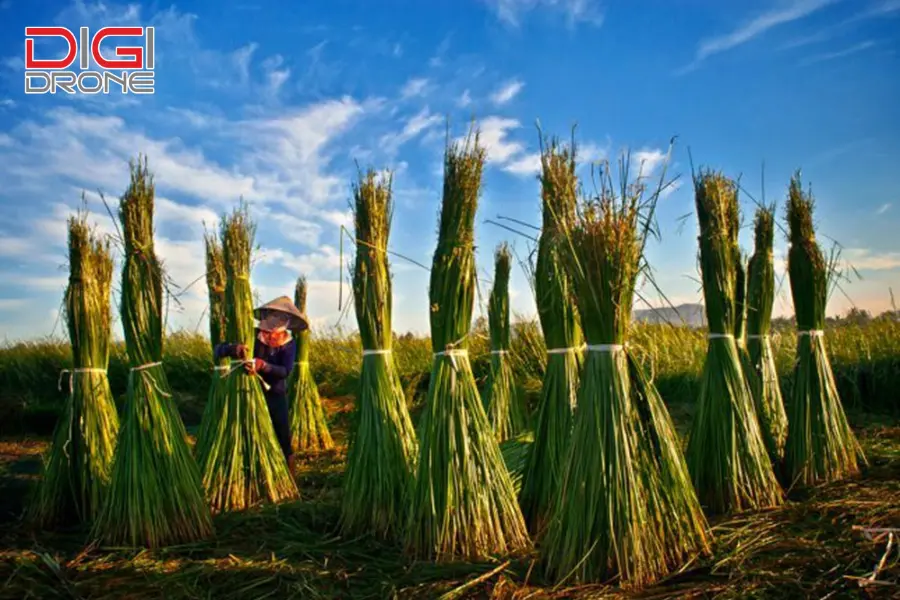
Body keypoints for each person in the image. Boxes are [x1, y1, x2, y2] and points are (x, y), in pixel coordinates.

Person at [214, 295, 308, 473]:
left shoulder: (288, 344)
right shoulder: (250, 334)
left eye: (281, 318)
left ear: (286, 322)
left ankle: (288, 473)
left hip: (275, 393)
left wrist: (263, 365)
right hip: (247, 391)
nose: (274, 324)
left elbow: (285, 371)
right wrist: (234, 349)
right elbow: (218, 350)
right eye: (273, 316)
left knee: (282, 433)